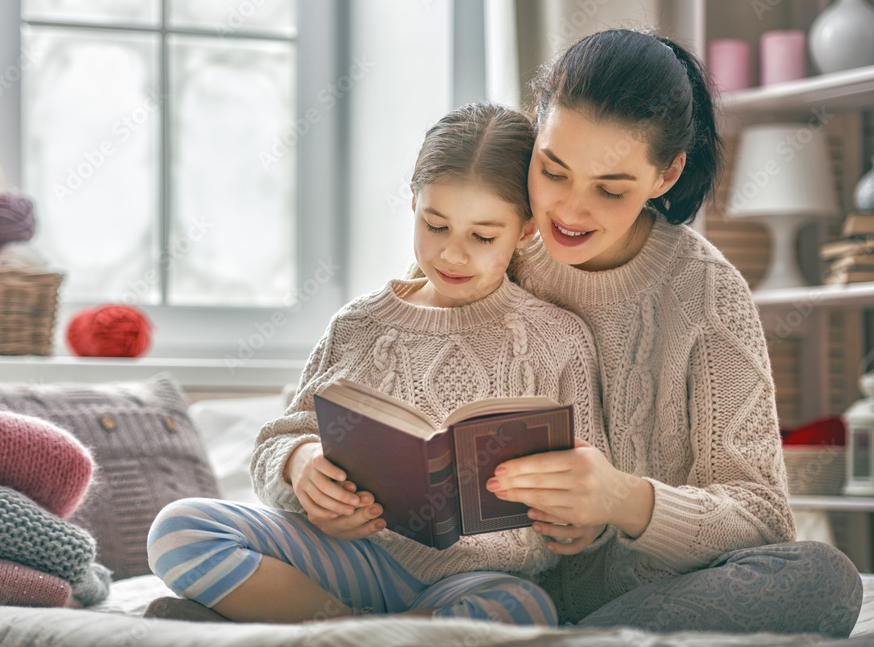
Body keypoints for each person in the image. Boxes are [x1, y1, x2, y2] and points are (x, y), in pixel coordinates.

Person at [146, 102, 612, 625]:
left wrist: (582, 527)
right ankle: (356, 629)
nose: (452, 255)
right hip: (352, 558)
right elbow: (278, 439)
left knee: (524, 608)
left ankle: (315, 625)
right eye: (435, 225)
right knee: (179, 528)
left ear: (525, 231)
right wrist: (300, 465)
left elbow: (592, 482)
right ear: (412, 202)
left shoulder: (559, 338)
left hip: (471, 580)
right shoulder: (360, 324)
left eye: (483, 237)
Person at [482, 28, 863, 638]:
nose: (570, 211)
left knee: (823, 578)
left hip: (654, 598)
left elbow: (762, 521)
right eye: (553, 170)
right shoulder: (489, 247)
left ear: (665, 175)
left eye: (610, 189)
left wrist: (621, 500)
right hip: (491, 580)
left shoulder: (708, 293)